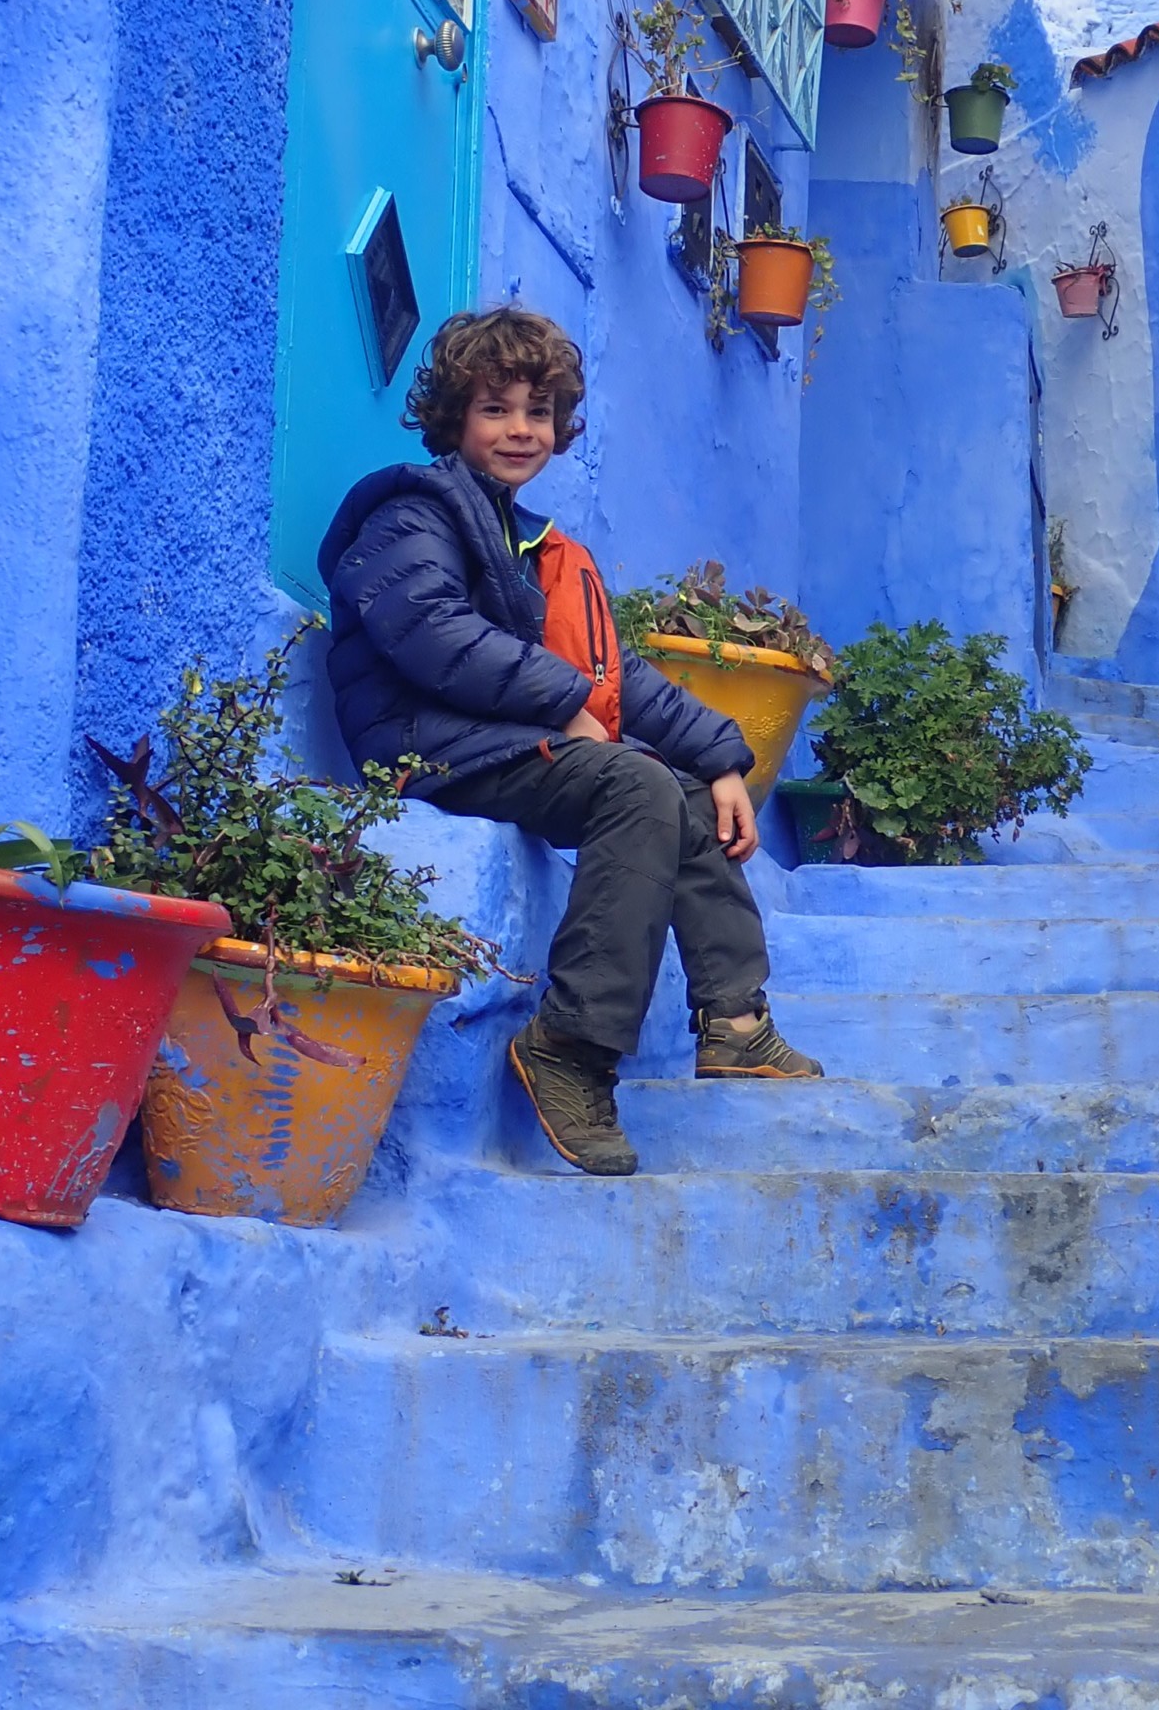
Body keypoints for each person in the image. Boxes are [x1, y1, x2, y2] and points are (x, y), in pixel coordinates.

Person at [317, 306, 822, 1177]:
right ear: (453, 420)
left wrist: (724, 756)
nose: (521, 429)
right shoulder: (413, 514)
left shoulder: (530, 546)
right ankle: (572, 1048)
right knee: (635, 787)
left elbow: (621, 674)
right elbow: (432, 631)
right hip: (425, 746)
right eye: (496, 409)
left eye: (539, 411)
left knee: (687, 794)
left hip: (496, 742)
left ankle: (736, 1024)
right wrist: (562, 704)